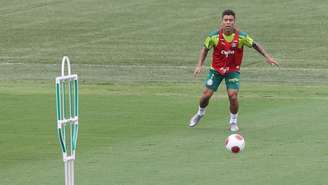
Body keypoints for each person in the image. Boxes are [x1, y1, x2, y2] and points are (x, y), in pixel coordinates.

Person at [189, 9, 279, 131]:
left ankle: (233, 121)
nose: (228, 22)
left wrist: (267, 57)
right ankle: (200, 113)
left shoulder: (241, 37)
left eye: (230, 20)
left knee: (233, 96)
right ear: (222, 21)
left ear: (234, 22)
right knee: (206, 95)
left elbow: (255, 45)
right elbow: (205, 49)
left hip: (232, 70)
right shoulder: (213, 36)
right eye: (226, 20)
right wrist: (199, 65)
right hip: (216, 70)